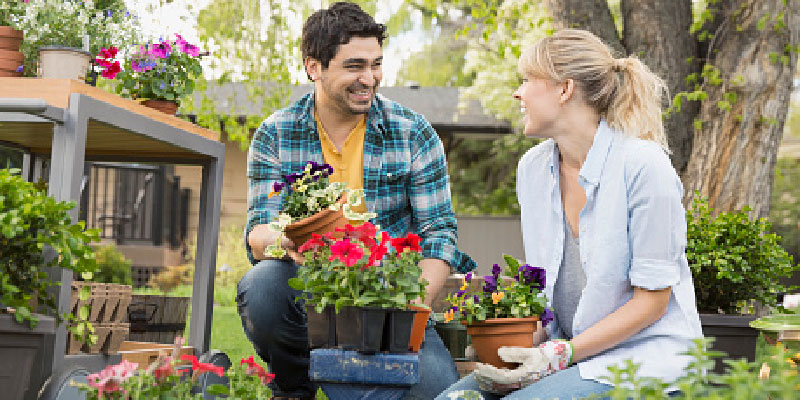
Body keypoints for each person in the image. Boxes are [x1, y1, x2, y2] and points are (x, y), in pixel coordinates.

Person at [436, 29, 703, 400]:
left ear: (565, 90)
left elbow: (652, 302)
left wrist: (560, 354)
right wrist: (506, 345)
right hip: (568, 357)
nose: (518, 92)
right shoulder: (534, 168)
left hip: (645, 361)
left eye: (528, 80)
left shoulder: (644, 166)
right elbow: (549, 296)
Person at [238, 2, 477, 399]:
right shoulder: (276, 134)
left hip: (393, 297)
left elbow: (439, 233)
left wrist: (412, 307)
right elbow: (258, 232)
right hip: (314, 292)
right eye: (354, 66)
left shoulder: (412, 133)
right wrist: (289, 242)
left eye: (376, 64)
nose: (369, 78)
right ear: (314, 67)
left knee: (437, 394)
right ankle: (294, 385)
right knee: (263, 286)